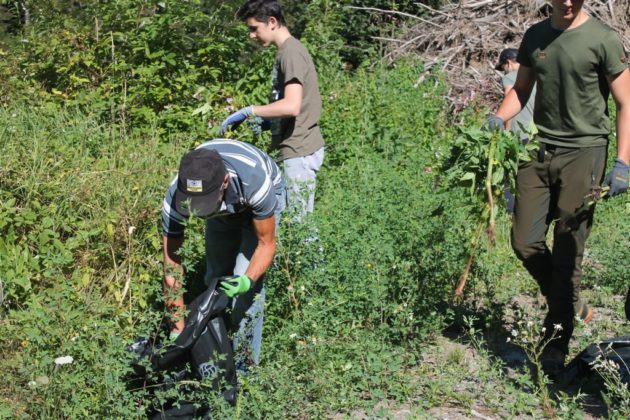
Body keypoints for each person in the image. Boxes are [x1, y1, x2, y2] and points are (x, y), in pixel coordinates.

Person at [485, 0, 630, 377]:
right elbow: (520, 89)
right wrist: (498, 117)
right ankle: (567, 300)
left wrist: (623, 161)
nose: (568, 1)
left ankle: (555, 342)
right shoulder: (535, 36)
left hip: (584, 152)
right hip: (538, 148)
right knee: (524, 241)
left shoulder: (602, 39)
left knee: (568, 247)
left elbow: (625, 101)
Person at [161, 139, 285, 370]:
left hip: (254, 197)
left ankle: (245, 369)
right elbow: (172, 267)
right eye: (193, 203)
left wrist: (247, 281)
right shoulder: (176, 197)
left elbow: (266, 244)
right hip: (223, 205)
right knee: (214, 279)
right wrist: (176, 330)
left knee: (245, 292)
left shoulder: (254, 181)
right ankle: (219, 343)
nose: (198, 210)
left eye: (204, 203)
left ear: (224, 182)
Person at [220, 0, 325, 220]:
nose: (251, 35)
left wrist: (250, 111)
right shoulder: (285, 51)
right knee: (289, 222)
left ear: (272, 22)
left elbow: (292, 106)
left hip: (299, 149)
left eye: (254, 28)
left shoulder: (291, 53)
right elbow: (294, 104)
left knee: (300, 225)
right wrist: (269, 122)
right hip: (292, 148)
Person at [495, 47, 538, 213]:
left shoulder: (510, 77)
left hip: (518, 135)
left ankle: (511, 212)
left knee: (508, 175)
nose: (504, 72)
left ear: (508, 63)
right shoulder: (536, 76)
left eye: (503, 68)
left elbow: (509, 100)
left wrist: (506, 133)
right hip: (536, 134)